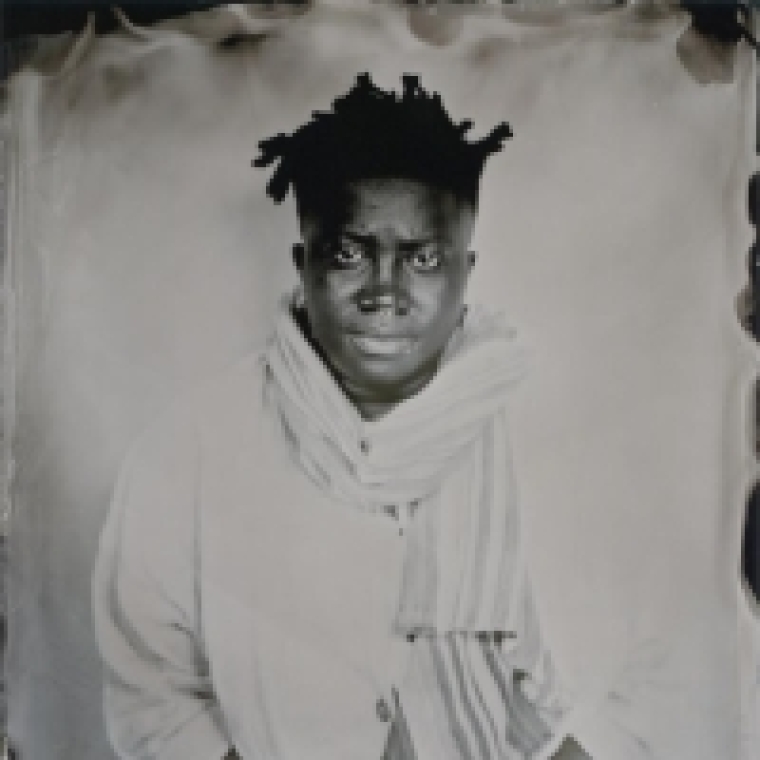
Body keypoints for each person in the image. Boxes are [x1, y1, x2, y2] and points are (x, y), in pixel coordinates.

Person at [92, 73, 647, 760]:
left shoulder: (549, 439)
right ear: (303, 263)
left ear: (466, 271)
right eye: (350, 254)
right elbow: (152, 689)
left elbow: (615, 684)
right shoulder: (187, 452)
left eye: (423, 259)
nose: (385, 293)